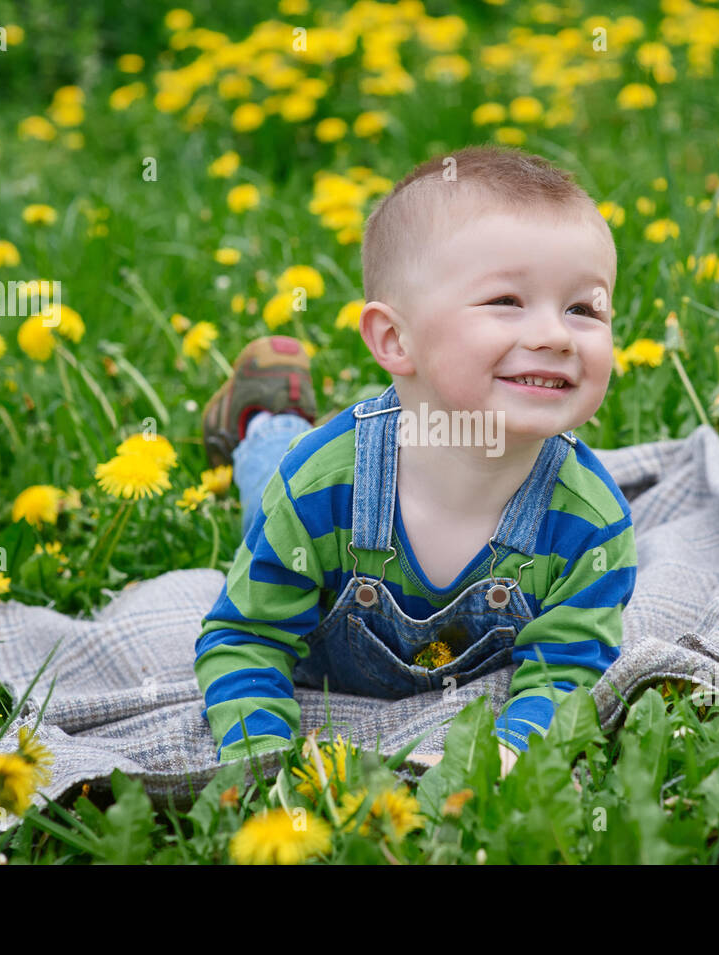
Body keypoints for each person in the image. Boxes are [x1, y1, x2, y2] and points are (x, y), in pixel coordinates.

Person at [195, 144, 637, 778]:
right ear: (395, 339)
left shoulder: (591, 523)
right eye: (506, 301)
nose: (555, 335)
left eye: (584, 308)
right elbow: (246, 641)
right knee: (272, 471)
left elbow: (565, 674)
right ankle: (265, 417)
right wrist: (262, 763)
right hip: (317, 497)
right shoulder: (318, 487)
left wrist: (504, 760)